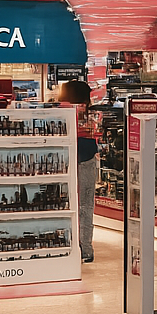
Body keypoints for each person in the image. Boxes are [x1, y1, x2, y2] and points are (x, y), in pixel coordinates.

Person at [56, 79, 98, 262]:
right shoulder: (91, 113)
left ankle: (65, 245)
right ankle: (85, 249)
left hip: (62, 160)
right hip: (86, 158)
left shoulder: (59, 110)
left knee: (61, 204)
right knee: (86, 206)